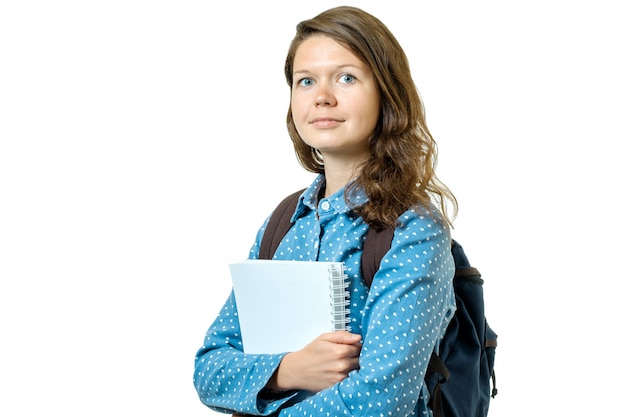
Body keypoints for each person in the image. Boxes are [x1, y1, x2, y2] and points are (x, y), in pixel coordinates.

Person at [194, 6, 458, 416]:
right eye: (306, 81)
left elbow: (382, 400)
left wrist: (260, 394)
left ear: (387, 92)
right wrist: (288, 370)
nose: (322, 96)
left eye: (347, 77)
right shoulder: (283, 223)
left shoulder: (412, 229)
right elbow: (209, 369)